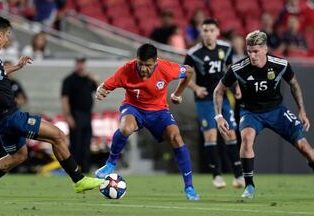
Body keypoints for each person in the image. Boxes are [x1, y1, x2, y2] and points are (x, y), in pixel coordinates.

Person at [0, 15, 103, 199]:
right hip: (8, 116)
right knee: (58, 136)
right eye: (7, 36)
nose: (7, 40)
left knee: (19, 156)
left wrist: (17, 66)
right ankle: (78, 180)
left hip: (2, 117)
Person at [213, 30, 314, 199]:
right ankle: (249, 186)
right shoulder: (239, 68)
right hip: (250, 112)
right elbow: (218, 90)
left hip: (276, 111)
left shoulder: (280, 64)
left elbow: (294, 84)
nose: (252, 55)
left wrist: (302, 111)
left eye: (256, 51)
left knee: (304, 147)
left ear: (265, 49)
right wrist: (218, 116)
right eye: (249, 51)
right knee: (246, 140)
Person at [94, 43, 200, 200]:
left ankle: (189, 187)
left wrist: (177, 93)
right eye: (140, 64)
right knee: (126, 128)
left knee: (176, 138)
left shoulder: (167, 68)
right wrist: (100, 91)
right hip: (133, 108)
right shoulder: (126, 70)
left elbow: (189, 71)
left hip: (159, 111)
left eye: (148, 65)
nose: (143, 69)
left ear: (155, 62)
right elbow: (105, 86)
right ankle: (110, 163)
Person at [182, 18, 244, 189]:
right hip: (204, 100)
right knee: (211, 135)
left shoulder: (226, 48)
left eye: (211, 30)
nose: (208, 33)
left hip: (222, 98)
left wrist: (237, 86)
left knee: (230, 133)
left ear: (217, 32)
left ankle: (239, 176)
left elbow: (231, 70)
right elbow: (184, 75)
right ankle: (217, 175)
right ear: (201, 33)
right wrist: (195, 88)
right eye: (205, 30)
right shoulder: (194, 53)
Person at [61, 58, 98, 173]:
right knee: (76, 145)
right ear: (76, 64)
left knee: (86, 145)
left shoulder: (88, 79)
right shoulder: (69, 80)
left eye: (83, 63)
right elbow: (65, 98)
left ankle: (86, 170)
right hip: (75, 114)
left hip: (87, 115)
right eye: (79, 63)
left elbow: (99, 90)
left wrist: (95, 79)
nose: (81, 66)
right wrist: (68, 116)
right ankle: (74, 171)